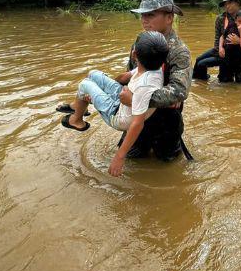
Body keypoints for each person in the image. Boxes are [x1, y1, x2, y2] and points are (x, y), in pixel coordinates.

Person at [58, 32, 168, 177]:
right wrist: (105, 89)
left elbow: (137, 123)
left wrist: (119, 156)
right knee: (93, 74)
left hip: (118, 116)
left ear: (134, 54)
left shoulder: (145, 85)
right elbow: (124, 77)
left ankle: (77, 121)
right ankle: (78, 106)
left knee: (85, 84)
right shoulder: (154, 66)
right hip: (123, 99)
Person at [122, 0, 192, 162]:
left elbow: (179, 91)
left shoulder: (179, 51)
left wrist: (136, 99)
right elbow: (130, 76)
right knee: (132, 160)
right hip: (137, 116)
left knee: (168, 166)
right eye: (142, 15)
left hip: (166, 121)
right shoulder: (140, 42)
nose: (144, 20)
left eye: (150, 15)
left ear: (169, 18)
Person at [192, 0, 241, 84]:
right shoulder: (220, 18)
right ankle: (200, 82)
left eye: (230, 3)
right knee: (223, 82)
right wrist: (220, 50)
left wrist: (239, 40)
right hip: (224, 52)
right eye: (225, 4)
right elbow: (218, 37)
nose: (227, 6)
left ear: (237, 3)